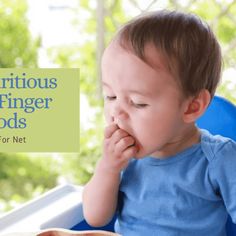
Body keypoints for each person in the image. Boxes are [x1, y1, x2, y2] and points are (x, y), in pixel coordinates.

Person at [82, 10, 236, 235]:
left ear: (191, 107)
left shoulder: (218, 159)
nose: (117, 112)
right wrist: (108, 168)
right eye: (111, 96)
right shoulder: (122, 158)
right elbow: (95, 218)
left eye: (137, 103)